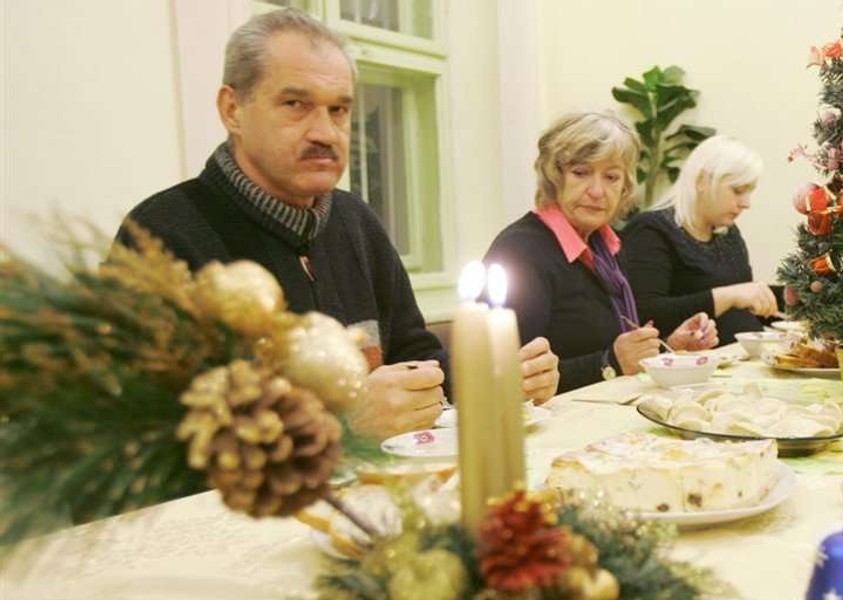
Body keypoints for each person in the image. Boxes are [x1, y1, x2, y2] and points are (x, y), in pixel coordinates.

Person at [115, 9, 558, 439]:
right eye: (295, 104)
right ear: (233, 109)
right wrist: (340, 424)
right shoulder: (161, 238)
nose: (326, 133)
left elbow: (416, 359)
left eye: (340, 110)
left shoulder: (354, 221)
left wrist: (489, 383)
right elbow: (144, 445)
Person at [484, 112, 718, 393]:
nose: (597, 191)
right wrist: (609, 362)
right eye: (581, 172)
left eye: (611, 177)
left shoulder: (606, 247)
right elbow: (509, 378)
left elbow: (609, 346)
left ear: (625, 187)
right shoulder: (521, 252)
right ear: (553, 177)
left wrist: (668, 348)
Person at [620, 135, 778, 346]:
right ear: (702, 181)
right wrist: (726, 296)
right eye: (738, 191)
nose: (746, 203)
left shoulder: (728, 234)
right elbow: (645, 313)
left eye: (749, 193)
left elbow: (747, 301)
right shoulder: (650, 231)